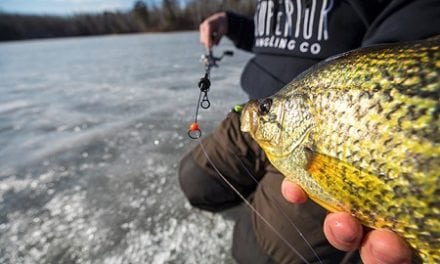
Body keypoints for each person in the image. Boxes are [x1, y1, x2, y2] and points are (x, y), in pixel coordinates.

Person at [179, 0, 440, 263]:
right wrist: (232, 25)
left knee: (256, 252)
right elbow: (276, 38)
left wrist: (406, 58)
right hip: (264, 106)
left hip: (336, 131)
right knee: (195, 180)